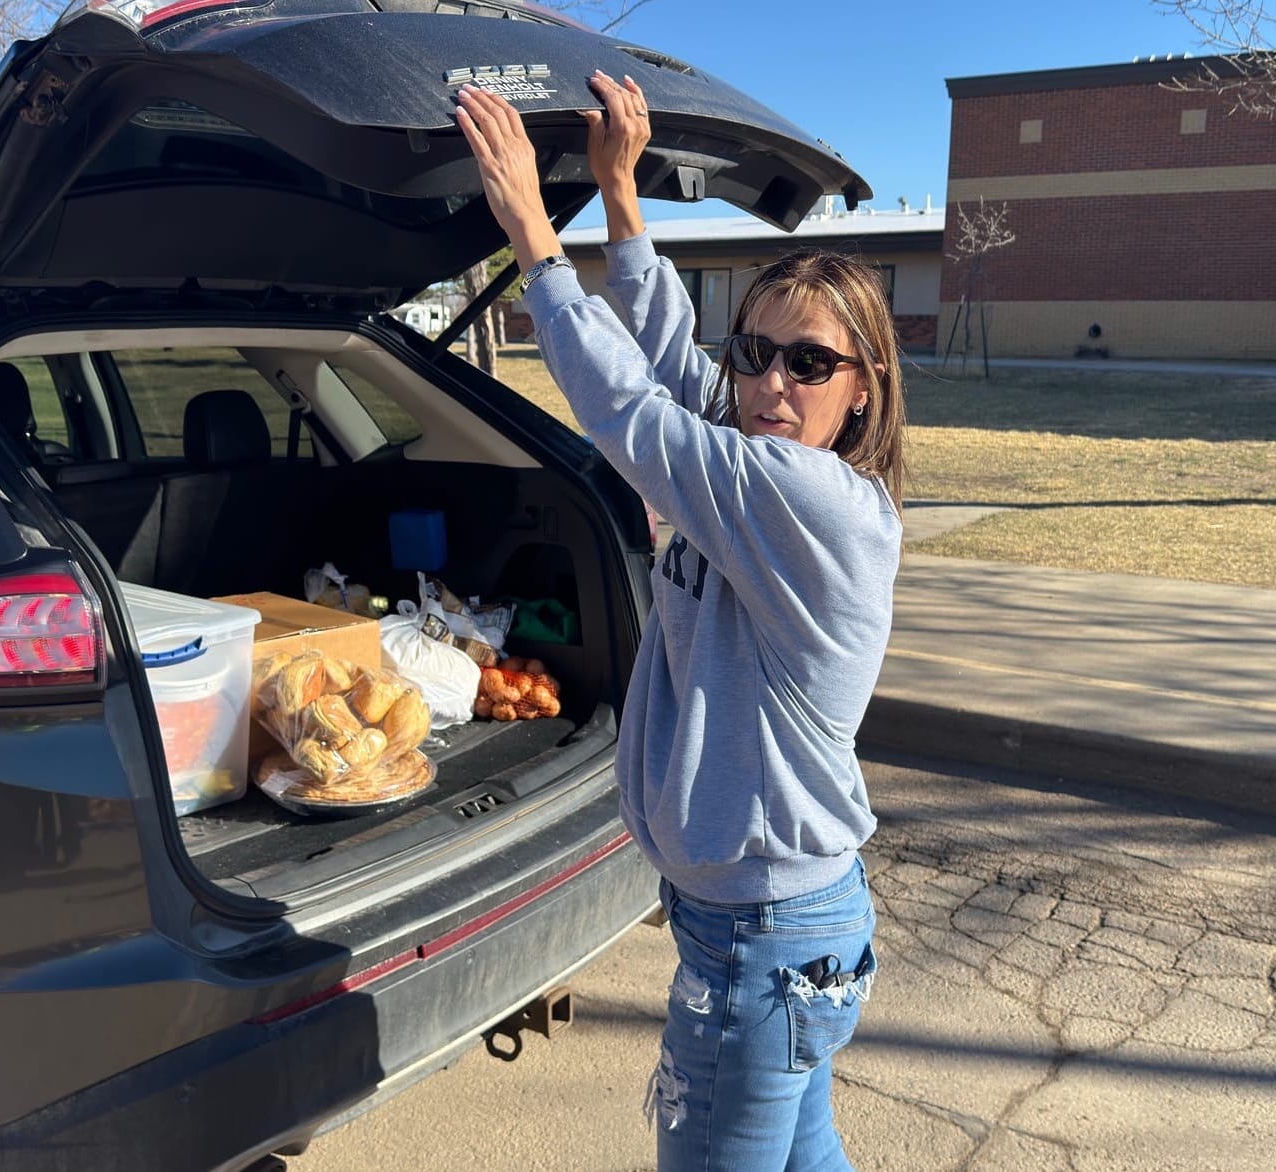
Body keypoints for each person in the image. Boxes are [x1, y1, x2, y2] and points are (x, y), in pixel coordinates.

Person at [455, 73, 907, 1170]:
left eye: (809, 362)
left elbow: (630, 412)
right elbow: (667, 358)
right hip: (786, 924)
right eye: (751, 351)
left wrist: (530, 232)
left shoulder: (798, 497)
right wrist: (617, 194)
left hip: (761, 940)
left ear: (862, 387)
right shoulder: (768, 461)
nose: (768, 382)